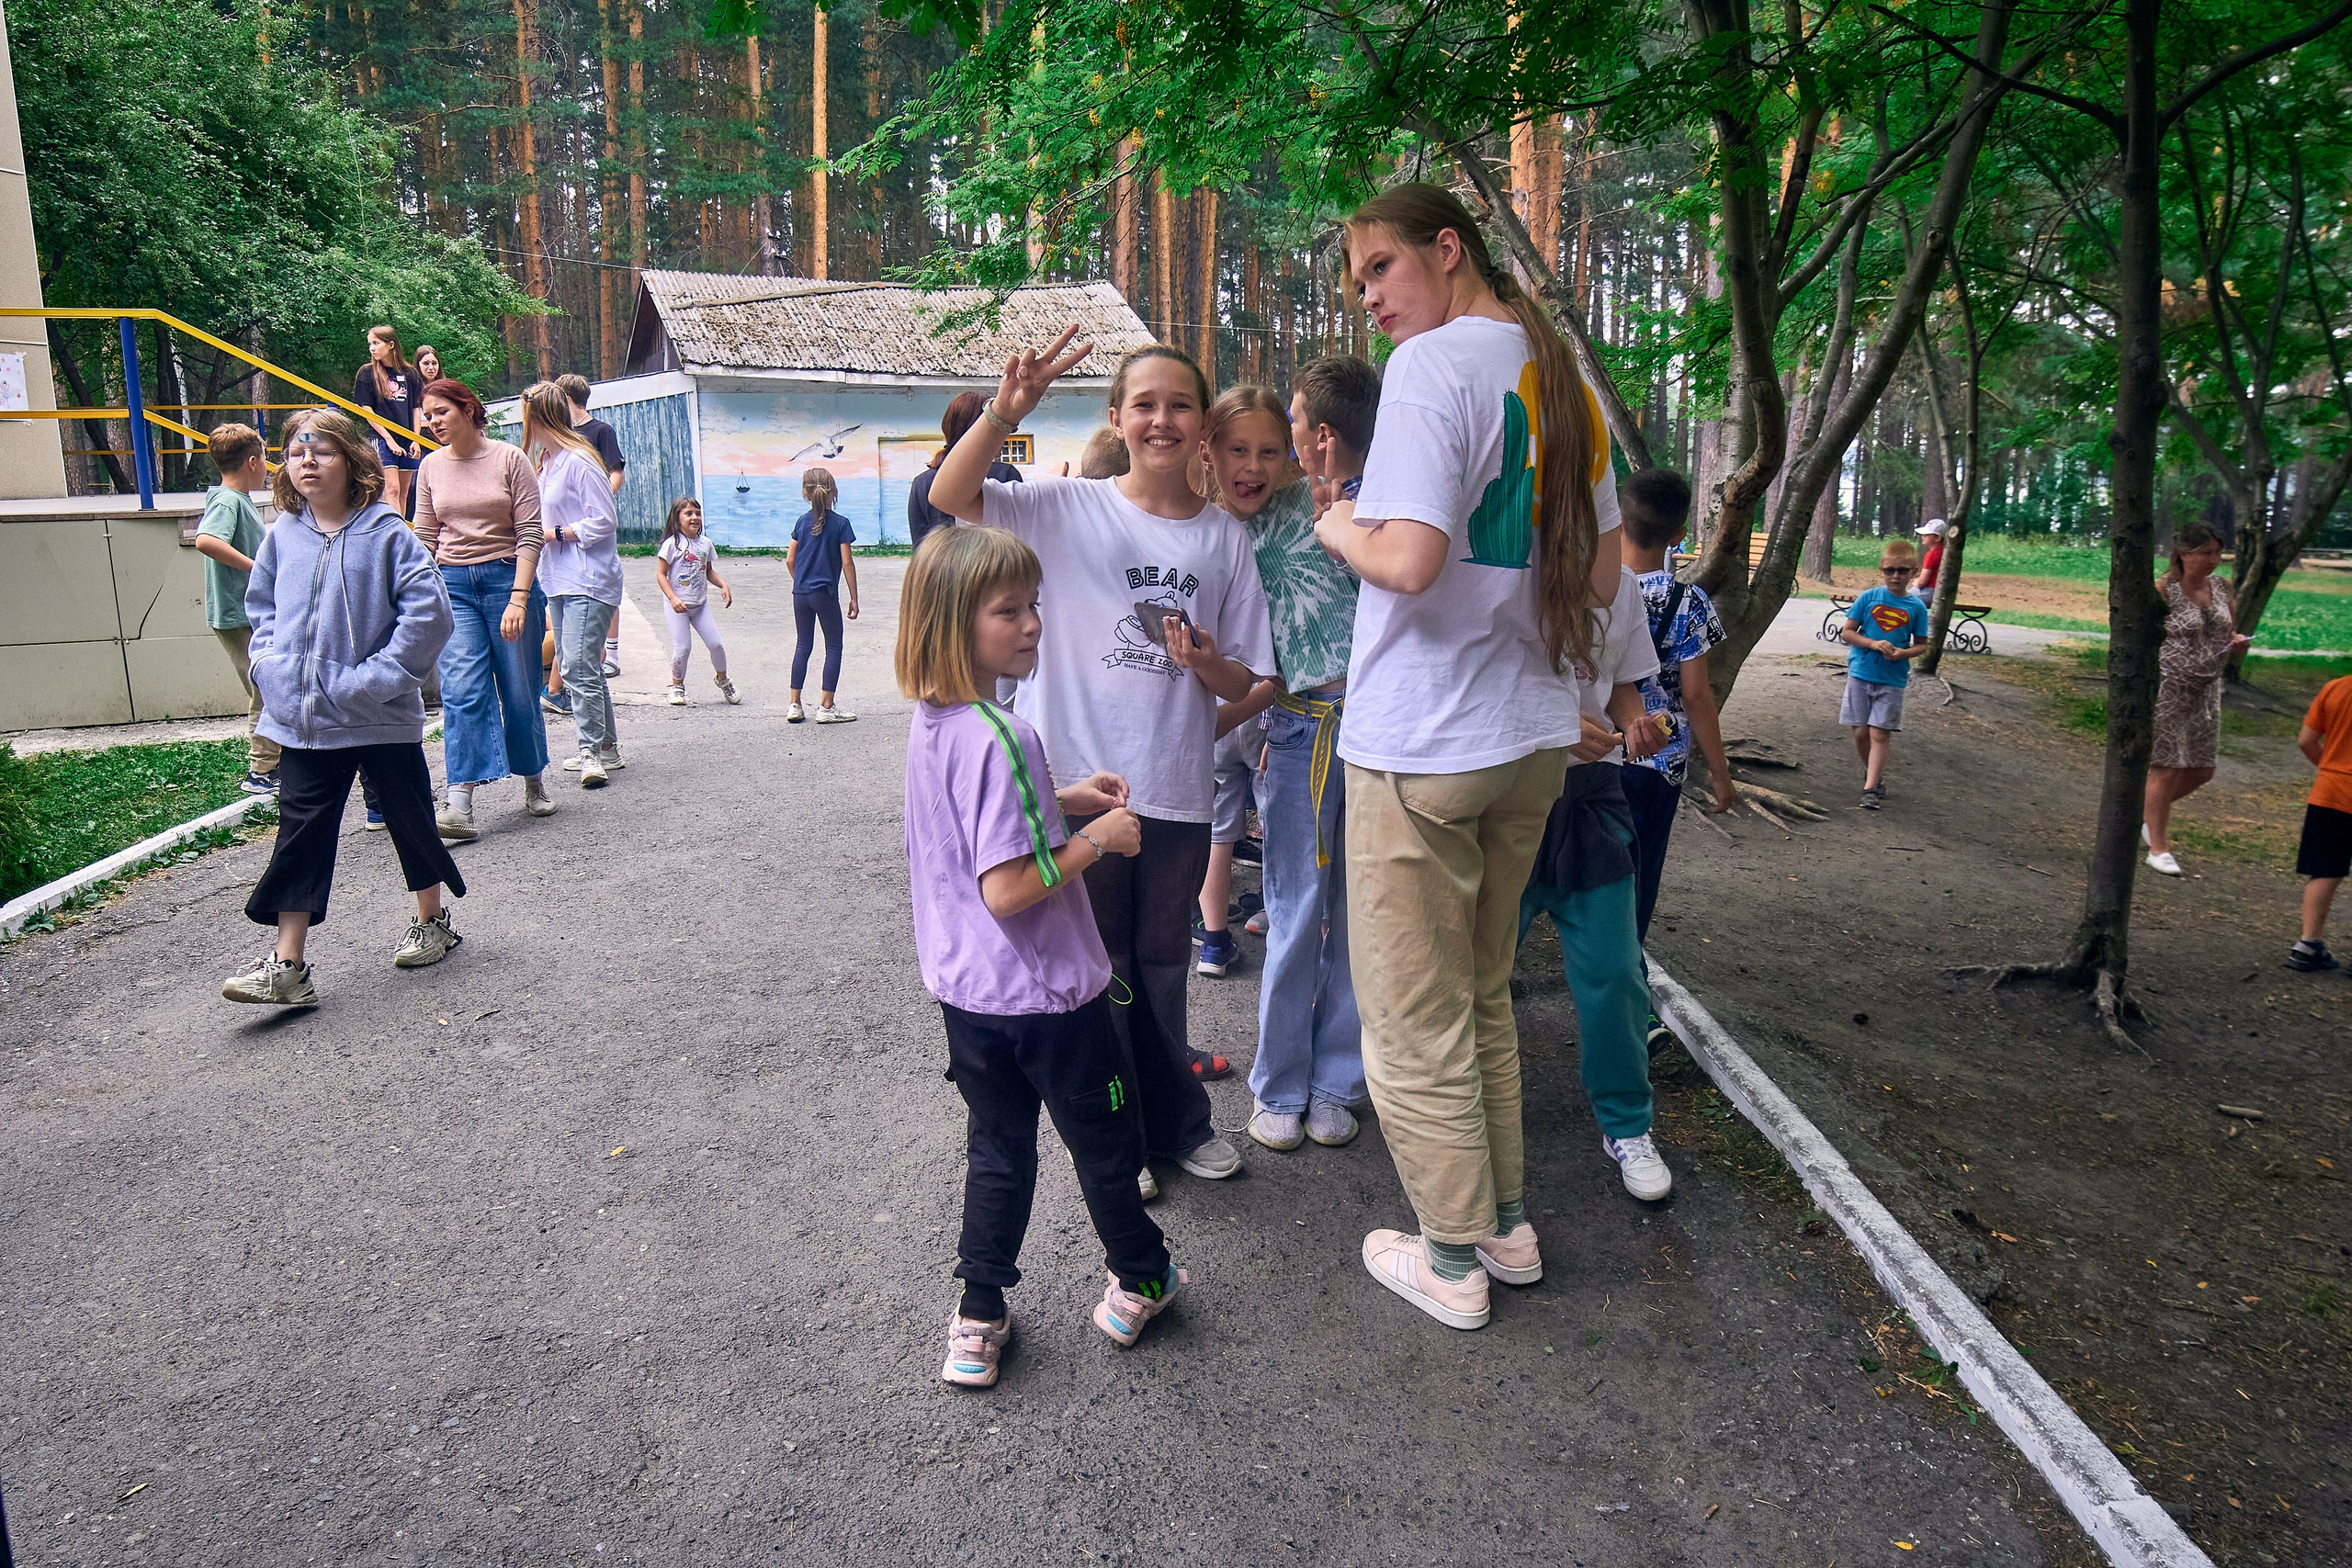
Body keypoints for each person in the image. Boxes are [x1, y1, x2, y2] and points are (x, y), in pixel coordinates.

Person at [1308, 183, 1623, 1331]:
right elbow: (1605, 575)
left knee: (1412, 1017)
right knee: (1481, 991)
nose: (1368, 297)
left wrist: (1335, 520)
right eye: (1357, 282)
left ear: (1447, 250)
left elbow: (1406, 560)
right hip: (1528, 735)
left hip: (1422, 742)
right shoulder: (1559, 375)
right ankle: (1504, 1224)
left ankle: (1448, 1260)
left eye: (1380, 268)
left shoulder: (1431, 366)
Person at [928, 333, 1276, 1199]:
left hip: (1177, 788)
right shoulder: (1063, 506)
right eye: (1144, 404)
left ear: (1203, 425)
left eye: (1181, 404)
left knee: (1160, 965)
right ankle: (1117, 1142)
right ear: (1117, 418)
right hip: (1080, 785)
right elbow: (949, 494)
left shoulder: (1224, 540)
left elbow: (1249, 678)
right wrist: (1004, 411)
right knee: (1098, 972)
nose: (1162, 419)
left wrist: (1206, 663)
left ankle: (1178, 1126)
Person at [899, 525, 1185, 1386]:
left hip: (967, 994)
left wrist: (1065, 798)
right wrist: (1101, 837)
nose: (1031, 624)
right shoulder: (1006, 734)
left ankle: (978, 1313)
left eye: (1033, 605)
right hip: (1051, 998)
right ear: (953, 622)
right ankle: (1146, 1277)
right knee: (1104, 1144)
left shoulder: (936, 723)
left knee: (998, 1148)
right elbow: (1009, 886)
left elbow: (977, 823)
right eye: (1008, 611)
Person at [220, 409, 463, 1008]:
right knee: (300, 834)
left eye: (322, 451)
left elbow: (430, 615)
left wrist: (372, 681)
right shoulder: (283, 535)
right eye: (296, 452)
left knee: (408, 818)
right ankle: (288, 965)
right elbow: (261, 609)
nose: (307, 461)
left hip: (379, 716)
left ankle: (432, 920)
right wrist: (270, 668)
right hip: (303, 720)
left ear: (352, 462)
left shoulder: (388, 534)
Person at [1208, 375, 1378, 1154]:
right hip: (1297, 730)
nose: (1253, 466)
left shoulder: (1323, 505)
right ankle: (1278, 1082)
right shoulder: (1209, 534)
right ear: (1209, 452)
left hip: (1374, 724)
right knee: (1294, 905)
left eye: (1269, 450)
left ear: (1292, 453)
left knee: (1357, 909)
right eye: (1237, 450)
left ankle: (1338, 1080)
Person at [1516, 564, 1673, 1201]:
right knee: (1475, 973)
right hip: (1508, 795)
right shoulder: (1506, 565)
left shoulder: (1621, 585)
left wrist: (1634, 722)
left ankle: (1627, 1124)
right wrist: (1552, 721)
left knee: (1615, 973)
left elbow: (1621, 686)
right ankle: (1453, 1118)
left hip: (1593, 798)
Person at [414, 376, 554, 839]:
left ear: (469, 409)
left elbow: (530, 532)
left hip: (507, 580)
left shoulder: (510, 459)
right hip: (453, 586)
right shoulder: (430, 467)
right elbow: (425, 535)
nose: (434, 422)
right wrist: (414, 589)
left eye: (441, 412)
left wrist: (519, 597)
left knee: (519, 691)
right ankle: (459, 802)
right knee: (461, 690)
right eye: (428, 416)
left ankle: (532, 777)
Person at [1620, 468, 1738, 938]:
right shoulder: (1689, 603)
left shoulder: (1598, 590)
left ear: (1619, 520)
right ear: (1678, 534)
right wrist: (1720, 774)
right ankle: (1629, 966)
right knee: (1640, 874)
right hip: (1658, 763)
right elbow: (1696, 696)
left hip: (1593, 752)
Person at [523, 381, 625, 787]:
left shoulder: (581, 460)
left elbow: (605, 520)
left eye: (527, 416)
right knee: (581, 665)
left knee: (577, 666)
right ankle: (608, 748)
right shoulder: (547, 463)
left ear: (540, 417)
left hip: (588, 577)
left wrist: (557, 533)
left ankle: (590, 752)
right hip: (559, 578)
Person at [2143, 522, 2251, 876]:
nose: (2214, 560)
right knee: (2167, 765)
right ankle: (2158, 848)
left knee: (2202, 770)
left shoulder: (2222, 587)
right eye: (2206, 553)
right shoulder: (2164, 590)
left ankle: (2140, 813)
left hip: (2207, 688)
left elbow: (2226, 630)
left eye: (2218, 552)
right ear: (2183, 554)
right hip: (2170, 687)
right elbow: (2146, 636)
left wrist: (2236, 642)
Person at [194, 422, 282, 795]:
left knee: (268, 686)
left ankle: (273, 762)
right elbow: (205, 540)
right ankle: (261, 771)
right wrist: (257, 568)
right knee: (265, 689)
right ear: (252, 462)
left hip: (243, 612)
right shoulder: (228, 501)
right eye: (265, 459)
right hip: (236, 613)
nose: (267, 468)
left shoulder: (235, 499)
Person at [1838, 537, 1930, 810]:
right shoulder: (1869, 598)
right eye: (1890, 570)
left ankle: (1869, 789)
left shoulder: (1916, 607)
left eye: (1902, 570)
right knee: (1861, 733)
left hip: (1892, 680)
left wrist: (1903, 653)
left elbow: (1922, 645)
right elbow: (1847, 633)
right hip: (1861, 673)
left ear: (1914, 571)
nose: (1896, 576)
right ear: (1881, 570)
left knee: (1880, 733)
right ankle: (1874, 776)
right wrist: (1872, 643)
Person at [555, 373, 628, 677]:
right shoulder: (559, 435)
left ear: (566, 399)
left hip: (594, 524)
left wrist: (598, 499)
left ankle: (612, 654)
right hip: (564, 528)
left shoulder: (601, 431)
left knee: (602, 583)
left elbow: (616, 473)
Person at [786, 468, 860, 722]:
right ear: (833, 492)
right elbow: (847, 563)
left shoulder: (801, 522)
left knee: (803, 645)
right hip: (825, 594)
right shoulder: (841, 524)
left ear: (806, 494)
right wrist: (853, 597)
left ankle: (794, 704)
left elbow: (790, 560)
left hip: (801, 593)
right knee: (834, 646)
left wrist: (801, 582)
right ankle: (826, 707)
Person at [2289, 674, 2352, 971]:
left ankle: (2308, 944)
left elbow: (2306, 740)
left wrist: (2330, 768)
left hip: (2329, 793)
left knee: (2324, 870)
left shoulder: (2335, 688)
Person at [908, 392, 1023, 549]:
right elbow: (1018, 541)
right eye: (1000, 426)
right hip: (996, 565)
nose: (1005, 435)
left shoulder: (921, 483)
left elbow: (920, 551)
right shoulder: (1004, 474)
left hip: (941, 566)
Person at [655, 498, 737, 705]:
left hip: (700, 606)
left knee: (716, 644)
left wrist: (723, 585)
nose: (695, 518)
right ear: (677, 519)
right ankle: (677, 686)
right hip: (677, 607)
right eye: (688, 514)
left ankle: (723, 680)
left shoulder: (705, 544)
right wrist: (673, 598)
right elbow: (661, 575)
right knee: (683, 648)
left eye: (698, 513)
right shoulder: (672, 544)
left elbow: (708, 571)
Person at [353, 326, 425, 517]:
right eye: (370, 344)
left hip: (407, 436)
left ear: (391, 345)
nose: (372, 348)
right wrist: (388, 439)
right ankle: (397, 532)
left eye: (376, 343)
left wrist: (416, 439)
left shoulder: (410, 373)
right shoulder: (367, 373)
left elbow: (416, 408)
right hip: (381, 437)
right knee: (391, 489)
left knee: (403, 492)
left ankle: (401, 530)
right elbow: (366, 409)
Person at [1917, 518, 1948, 598]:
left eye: (1926, 535)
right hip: (1943, 591)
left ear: (1937, 538)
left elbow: (1922, 581)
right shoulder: (1945, 552)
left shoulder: (1931, 555)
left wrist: (1916, 582)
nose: (1923, 536)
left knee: (1901, 598)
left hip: (1930, 591)